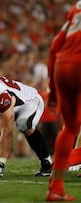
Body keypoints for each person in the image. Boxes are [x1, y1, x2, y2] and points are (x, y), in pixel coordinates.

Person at [45, 1, 81, 201]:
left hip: (62, 65)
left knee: (70, 127)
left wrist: (51, 88)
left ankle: (55, 187)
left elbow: (54, 46)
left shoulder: (77, 7)